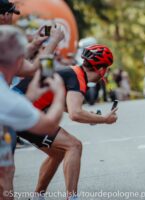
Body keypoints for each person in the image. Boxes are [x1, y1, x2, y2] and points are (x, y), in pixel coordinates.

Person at [14, 44, 118, 200]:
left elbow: (65, 105)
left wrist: (89, 116)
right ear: (102, 70)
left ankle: (37, 196)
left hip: (18, 108)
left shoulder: (72, 72)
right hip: (20, 112)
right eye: (107, 68)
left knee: (57, 153)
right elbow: (75, 114)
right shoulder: (78, 79)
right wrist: (104, 119)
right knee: (74, 145)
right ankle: (72, 197)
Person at [0, 25, 65, 200]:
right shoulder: (8, 100)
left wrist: (36, 43)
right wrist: (59, 94)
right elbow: (49, 123)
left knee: (6, 173)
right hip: (14, 114)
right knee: (5, 179)